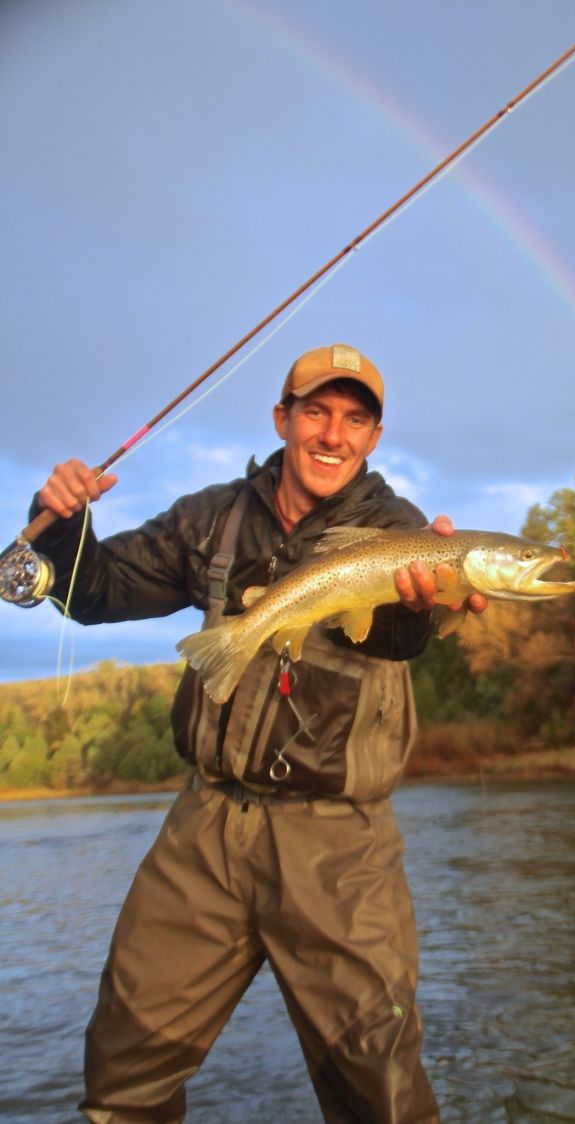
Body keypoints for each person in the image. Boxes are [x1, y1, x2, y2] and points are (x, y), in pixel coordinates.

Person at [33, 343, 486, 1124]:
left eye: (353, 419)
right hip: (203, 829)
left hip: (338, 847)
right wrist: (64, 529)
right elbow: (95, 593)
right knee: (120, 1076)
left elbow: (397, 645)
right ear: (282, 419)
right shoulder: (211, 517)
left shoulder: (398, 531)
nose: (331, 435)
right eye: (315, 412)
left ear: (374, 437)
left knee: (379, 1091)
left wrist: (420, 605)